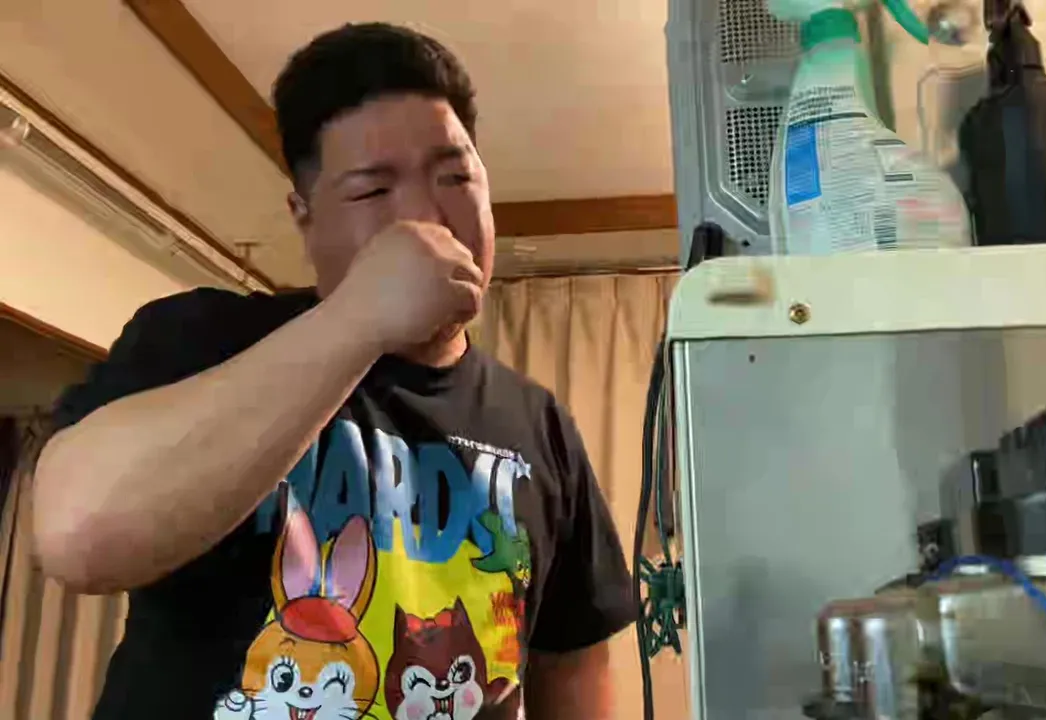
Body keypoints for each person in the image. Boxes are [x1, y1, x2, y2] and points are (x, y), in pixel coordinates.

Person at [30, 23, 634, 720]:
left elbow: (574, 663)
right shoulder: (202, 339)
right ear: (305, 216)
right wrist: (361, 316)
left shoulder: (540, 423)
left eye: (456, 177)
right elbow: (77, 537)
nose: (427, 216)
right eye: (374, 191)